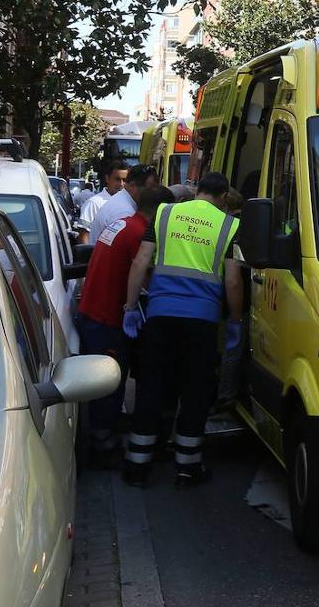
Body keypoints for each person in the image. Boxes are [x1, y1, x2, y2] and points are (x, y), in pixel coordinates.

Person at [121, 172, 243, 489]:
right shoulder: (229, 225)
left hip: (161, 315)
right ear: (223, 196)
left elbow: (140, 262)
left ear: (198, 191)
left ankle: (137, 465)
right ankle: (188, 469)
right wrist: (235, 321)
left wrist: (131, 307)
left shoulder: (165, 213)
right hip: (202, 321)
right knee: (195, 391)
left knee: (152, 386)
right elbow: (232, 280)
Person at [76, 185, 176, 465]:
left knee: (106, 380)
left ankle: (104, 432)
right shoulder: (139, 233)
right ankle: (103, 443)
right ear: (160, 212)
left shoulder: (123, 224)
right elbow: (143, 274)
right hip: (107, 316)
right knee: (109, 382)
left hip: (94, 310)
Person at [92, 163, 159, 238]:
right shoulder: (125, 213)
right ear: (133, 186)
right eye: (149, 189)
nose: (154, 193)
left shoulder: (121, 201)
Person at [78, 160, 128, 243]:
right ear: (107, 179)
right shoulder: (93, 204)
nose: (121, 184)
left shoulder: (130, 204)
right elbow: (84, 236)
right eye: (117, 179)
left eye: (125, 180)